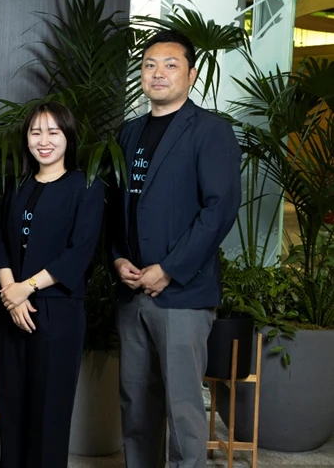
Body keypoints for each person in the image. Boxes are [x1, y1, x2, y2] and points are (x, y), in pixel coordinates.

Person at [111, 30, 241, 468]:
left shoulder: (210, 131)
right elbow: (117, 205)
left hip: (181, 294)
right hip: (132, 291)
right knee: (136, 404)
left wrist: (167, 268)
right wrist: (118, 258)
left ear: (192, 73)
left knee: (183, 407)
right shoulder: (128, 133)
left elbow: (218, 211)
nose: (158, 73)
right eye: (150, 64)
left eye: (170, 64)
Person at [0, 100, 104, 467]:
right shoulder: (18, 185)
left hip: (58, 312)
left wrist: (28, 287)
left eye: (53, 132)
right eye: (36, 132)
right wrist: (11, 293)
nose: (44, 140)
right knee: (14, 404)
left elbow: (79, 252)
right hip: (13, 312)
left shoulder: (86, 187)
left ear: (67, 137)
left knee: (49, 411)